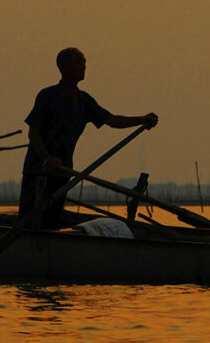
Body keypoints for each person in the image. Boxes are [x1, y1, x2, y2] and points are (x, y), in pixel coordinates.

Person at [19, 47, 158, 229]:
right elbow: (33, 133)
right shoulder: (48, 96)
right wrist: (47, 158)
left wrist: (141, 120)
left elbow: (112, 120)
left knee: (51, 223)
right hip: (38, 172)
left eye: (84, 62)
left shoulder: (84, 101)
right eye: (79, 62)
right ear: (63, 67)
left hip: (62, 172)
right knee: (29, 222)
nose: (84, 66)